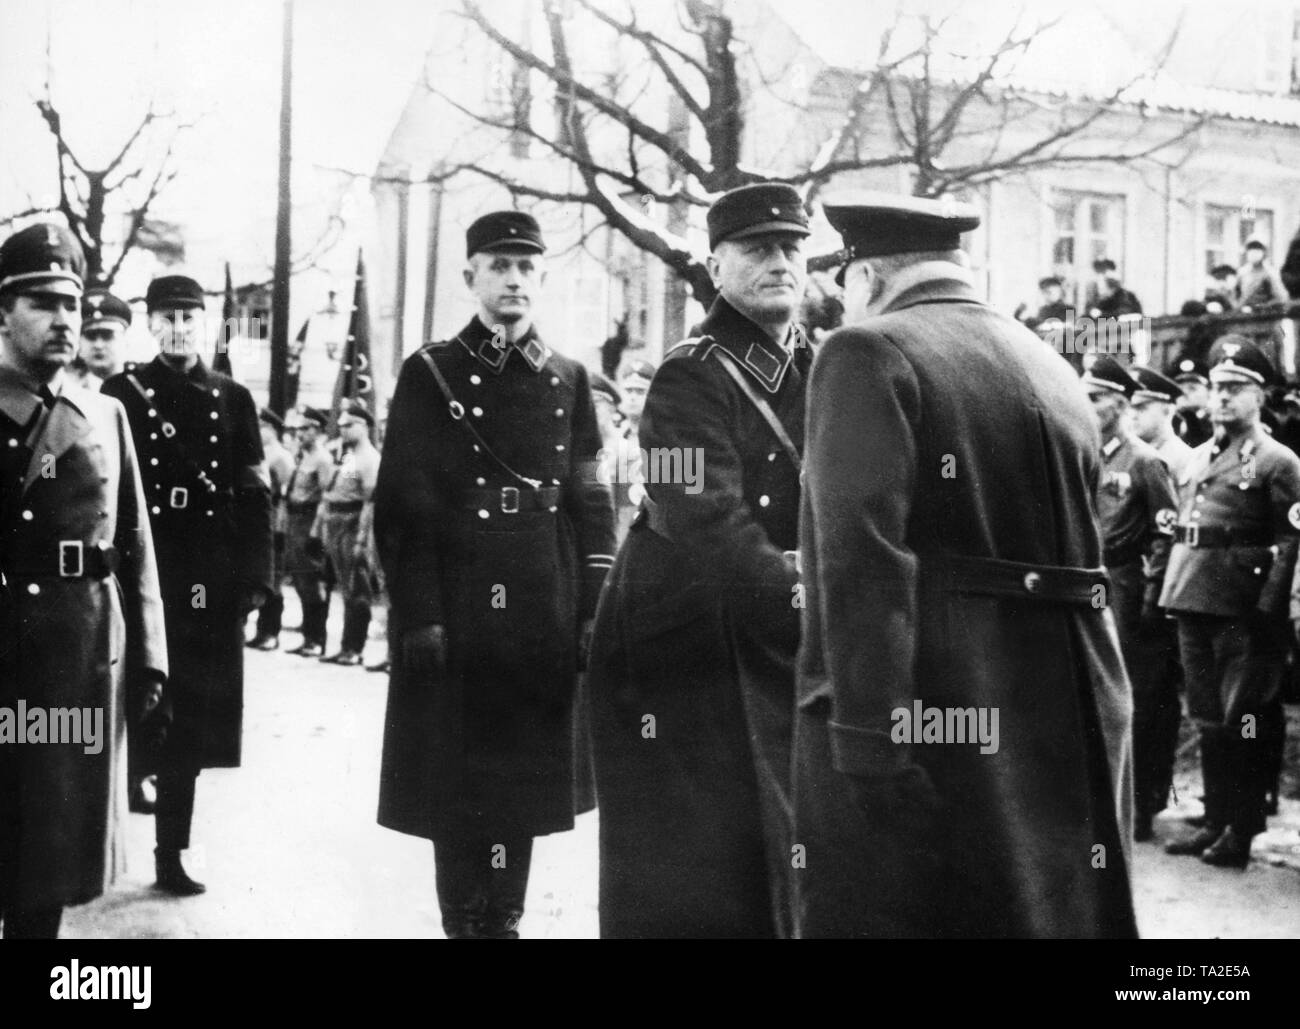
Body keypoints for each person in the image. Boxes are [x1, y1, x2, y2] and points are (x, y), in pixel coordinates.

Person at [794, 193, 1137, 938]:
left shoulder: (865, 352)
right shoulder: (1052, 365)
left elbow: (862, 565)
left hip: (938, 713)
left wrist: (868, 743)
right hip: (1068, 711)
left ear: (867, 274)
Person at [375, 210, 615, 939]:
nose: (513, 278)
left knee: (524, 777)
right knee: (458, 774)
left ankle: (504, 920)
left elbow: (589, 495)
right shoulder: (431, 371)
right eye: (499, 265)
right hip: (459, 603)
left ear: (541, 277)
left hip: (543, 598)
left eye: (526, 266)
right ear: (470, 276)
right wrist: (421, 612)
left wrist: (592, 607)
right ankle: (464, 919)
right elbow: (404, 504)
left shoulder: (569, 378)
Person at [589, 183, 810, 938]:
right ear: (717, 266)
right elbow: (703, 512)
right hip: (679, 635)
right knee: (685, 859)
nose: (778, 262)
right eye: (756, 249)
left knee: (777, 844)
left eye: (790, 248)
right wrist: (798, 598)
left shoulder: (826, 363)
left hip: (767, 622)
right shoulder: (688, 374)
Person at [0, 223, 167, 938]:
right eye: (41, 302)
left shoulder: (104, 413)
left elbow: (136, 545)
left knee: (54, 857)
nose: (64, 319)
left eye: (71, 303)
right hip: (7, 653)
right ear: (3, 313)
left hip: (81, 655)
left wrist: (153, 654)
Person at [101, 274, 272, 896]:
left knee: (193, 719)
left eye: (189, 317)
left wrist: (257, 578)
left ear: (205, 323)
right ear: (151, 324)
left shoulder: (232, 397)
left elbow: (255, 492)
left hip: (209, 574)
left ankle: (170, 853)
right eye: (168, 317)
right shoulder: (123, 391)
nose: (179, 328)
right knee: (136, 705)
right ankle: (100, 840)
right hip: (143, 570)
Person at [1159, 338, 1300, 868]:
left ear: (1260, 396)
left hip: (1243, 608)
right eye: (1217, 388)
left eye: (1235, 389)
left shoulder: (1276, 461)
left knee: (1244, 717)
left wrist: (1269, 608)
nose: (1221, 398)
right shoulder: (1198, 458)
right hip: (1193, 595)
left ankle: (1241, 827)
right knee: (1209, 716)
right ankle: (1215, 818)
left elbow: (1291, 540)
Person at [1083, 358, 1179, 841]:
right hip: (1089, 586)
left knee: (1135, 699)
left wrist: (1153, 598)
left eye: (1096, 397)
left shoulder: (1144, 462)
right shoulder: (1087, 455)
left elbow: (1167, 534)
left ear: (1119, 405)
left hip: (1128, 589)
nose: (1086, 404)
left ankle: (1141, 806)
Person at [312, 401, 380, 666]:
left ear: (363, 426)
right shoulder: (347, 456)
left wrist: (362, 540)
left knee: (357, 588)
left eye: (348, 425)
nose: (342, 430)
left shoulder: (369, 459)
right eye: (340, 425)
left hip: (354, 524)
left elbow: (369, 502)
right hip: (337, 523)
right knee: (345, 588)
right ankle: (345, 646)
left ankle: (354, 648)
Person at [283, 408, 333, 658]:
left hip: (309, 520)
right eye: (298, 429)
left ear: (318, 431)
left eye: (305, 429)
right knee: (301, 581)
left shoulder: (323, 459)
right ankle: (307, 635)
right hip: (295, 520)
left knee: (311, 582)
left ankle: (316, 639)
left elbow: (326, 496)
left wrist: (316, 531)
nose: (300, 434)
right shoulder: (302, 457)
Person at [247, 408, 295, 651]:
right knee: (261, 580)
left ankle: (271, 632)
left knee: (274, 581)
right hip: (263, 519)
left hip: (276, 521)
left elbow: (286, 495)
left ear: (272, 429)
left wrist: (281, 526)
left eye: (262, 426)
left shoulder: (282, 457)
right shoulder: (262, 454)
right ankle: (261, 630)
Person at [1131, 365, 1194, 480]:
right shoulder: (1129, 454)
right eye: (1131, 408)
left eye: (1142, 408)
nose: (1133, 415)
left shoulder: (1185, 459)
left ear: (1167, 410)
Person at [71, 289, 130, 390]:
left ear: (125, 341)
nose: (98, 345)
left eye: (108, 336)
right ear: (78, 344)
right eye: (91, 336)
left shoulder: (143, 385)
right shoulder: (68, 391)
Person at [1172, 357, 1214, 448]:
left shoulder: (1215, 424)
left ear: (1209, 392)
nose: (1185, 393)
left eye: (1192, 388)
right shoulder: (1170, 424)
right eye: (1180, 389)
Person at [1234, 240, 1287, 310]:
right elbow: (1235, 294)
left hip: (1262, 313)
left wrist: (1263, 306)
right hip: (1243, 311)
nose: (1253, 254)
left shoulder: (1270, 273)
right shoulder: (1242, 272)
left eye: (1257, 250)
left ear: (1264, 253)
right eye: (1250, 250)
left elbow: (1282, 298)